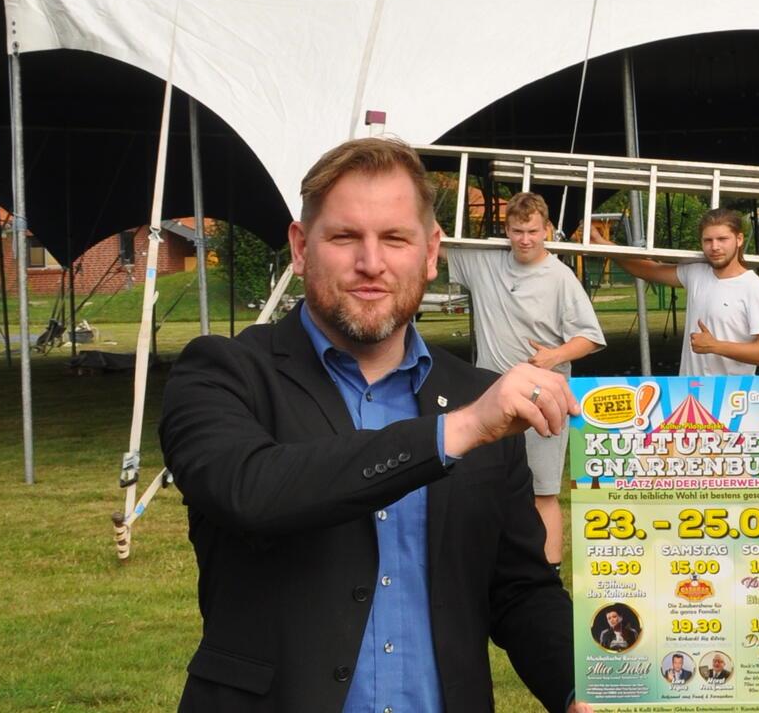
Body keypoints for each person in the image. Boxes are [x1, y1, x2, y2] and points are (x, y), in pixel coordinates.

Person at [159, 136, 590, 713]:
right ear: (300, 246)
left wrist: (578, 686)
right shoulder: (224, 372)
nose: (371, 262)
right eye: (344, 237)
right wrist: (453, 434)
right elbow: (253, 490)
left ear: (432, 252)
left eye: (395, 238)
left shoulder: (475, 397)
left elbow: (519, 588)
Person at [448, 191, 606, 566]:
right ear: (507, 230)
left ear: (547, 230)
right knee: (483, 488)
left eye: (533, 231)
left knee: (543, 491)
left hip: (544, 398)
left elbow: (591, 337)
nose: (525, 239)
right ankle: (489, 567)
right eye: (517, 231)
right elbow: (430, 242)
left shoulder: (561, 276)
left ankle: (548, 573)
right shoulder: (484, 261)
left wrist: (554, 355)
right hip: (490, 401)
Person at [616, 209, 759, 375]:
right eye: (708, 240)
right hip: (690, 393)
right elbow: (648, 270)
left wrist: (716, 346)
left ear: (739, 239)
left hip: (731, 396)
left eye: (722, 239)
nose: (715, 247)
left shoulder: (755, 288)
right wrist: (601, 242)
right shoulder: (695, 273)